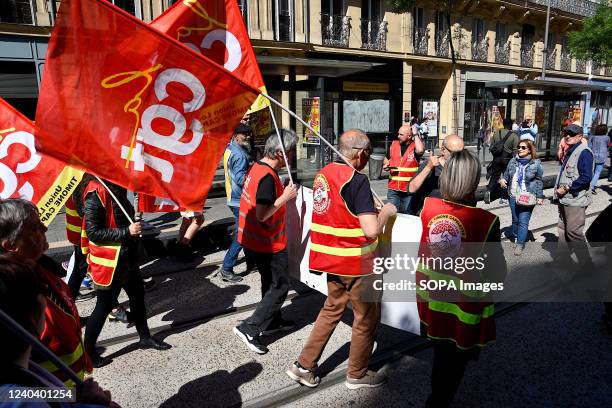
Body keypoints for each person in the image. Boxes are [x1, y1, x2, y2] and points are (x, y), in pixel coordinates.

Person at [287, 129, 396, 389]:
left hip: (331, 260)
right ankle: (357, 374)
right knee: (366, 318)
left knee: (331, 309)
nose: (369, 158)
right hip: (357, 262)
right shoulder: (357, 180)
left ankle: (304, 365)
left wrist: (366, 207)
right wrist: (387, 212)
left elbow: (338, 210)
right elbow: (371, 230)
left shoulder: (323, 174)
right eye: (369, 153)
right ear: (360, 153)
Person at [416, 150, 507, 408]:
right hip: (463, 311)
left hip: (431, 305)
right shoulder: (486, 221)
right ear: (472, 181)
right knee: (452, 370)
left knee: (440, 360)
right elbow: (496, 272)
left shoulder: (428, 209)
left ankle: (436, 398)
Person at [0, 254, 117, 407]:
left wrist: (73, 396)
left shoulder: (16, 376)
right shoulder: (20, 401)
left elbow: (41, 392)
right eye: (42, 293)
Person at [78, 175, 171, 368]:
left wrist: (134, 219)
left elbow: (122, 218)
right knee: (103, 307)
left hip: (126, 257)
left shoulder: (113, 185)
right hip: (109, 263)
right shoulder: (96, 191)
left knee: (137, 296)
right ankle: (89, 352)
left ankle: (144, 338)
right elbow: (94, 232)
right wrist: (127, 232)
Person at [0, 198, 92, 386]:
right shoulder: (8, 302)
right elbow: (11, 388)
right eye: (35, 227)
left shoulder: (46, 270)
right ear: (11, 246)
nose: (45, 228)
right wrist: (74, 399)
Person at [233, 130, 298, 354]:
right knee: (280, 286)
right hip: (268, 243)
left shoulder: (258, 167)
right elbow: (262, 214)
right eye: (289, 152)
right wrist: (285, 198)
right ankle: (250, 328)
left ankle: (272, 321)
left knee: (268, 282)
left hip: (252, 240)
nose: (291, 157)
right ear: (280, 152)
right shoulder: (268, 177)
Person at [553, 123, 594, 268]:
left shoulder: (584, 152)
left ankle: (586, 263)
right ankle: (562, 260)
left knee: (574, 232)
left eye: (571, 134)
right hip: (565, 199)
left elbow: (586, 177)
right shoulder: (571, 150)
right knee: (562, 230)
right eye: (566, 134)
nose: (567, 136)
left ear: (580, 137)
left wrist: (566, 188)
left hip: (575, 200)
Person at [221, 124, 255, 283]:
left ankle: (251, 262)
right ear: (236, 136)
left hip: (232, 197)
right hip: (239, 199)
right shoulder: (240, 155)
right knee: (242, 234)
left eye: (249, 134)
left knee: (248, 230)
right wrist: (255, 173)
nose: (248, 137)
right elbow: (241, 179)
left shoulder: (230, 148)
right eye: (245, 134)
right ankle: (227, 268)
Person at [499, 140, 545, 255]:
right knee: (515, 220)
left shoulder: (536, 164)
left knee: (523, 221)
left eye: (523, 147)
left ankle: (520, 244)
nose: (519, 149)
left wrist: (540, 196)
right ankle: (516, 236)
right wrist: (503, 180)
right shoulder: (513, 161)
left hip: (527, 196)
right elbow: (506, 175)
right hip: (513, 195)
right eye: (518, 147)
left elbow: (539, 181)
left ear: (529, 150)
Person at [409, 134, 464, 213]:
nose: (459, 157)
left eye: (461, 153)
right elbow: (411, 189)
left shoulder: (463, 166)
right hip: (428, 215)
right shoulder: (430, 164)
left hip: (450, 216)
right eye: (455, 153)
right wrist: (428, 167)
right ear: (443, 150)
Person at [383, 124, 425, 214]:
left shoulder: (415, 146)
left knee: (407, 215)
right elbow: (386, 159)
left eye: (401, 135)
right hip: (393, 189)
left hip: (409, 189)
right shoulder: (393, 144)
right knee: (392, 215)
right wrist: (386, 165)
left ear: (409, 136)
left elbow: (420, 150)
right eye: (398, 134)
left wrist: (416, 134)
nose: (398, 136)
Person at [485, 118, 519, 204]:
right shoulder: (514, 136)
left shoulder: (496, 133)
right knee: (506, 177)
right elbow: (515, 151)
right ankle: (503, 197)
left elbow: (492, 146)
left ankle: (488, 192)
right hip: (507, 160)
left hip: (496, 159)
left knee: (494, 176)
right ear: (511, 125)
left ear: (503, 124)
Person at [64, 191, 91, 300]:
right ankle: (68, 302)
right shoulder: (79, 179)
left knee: (79, 263)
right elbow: (81, 209)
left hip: (82, 228)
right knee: (80, 264)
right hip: (83, 229)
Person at [588, 124, 610, 195]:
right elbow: (608, 145)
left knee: (592, 171)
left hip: (592, 155)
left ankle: (589, 185)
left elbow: (589, 146)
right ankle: (592, 187)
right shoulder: (607, 138)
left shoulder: (593, 137)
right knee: (597, 172)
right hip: (602, 156)